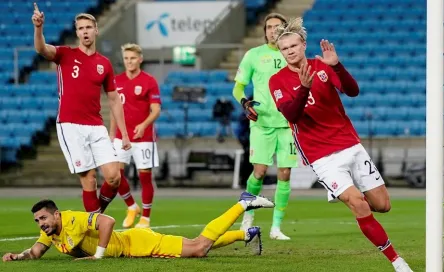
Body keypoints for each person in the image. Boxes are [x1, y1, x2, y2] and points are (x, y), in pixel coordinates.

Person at [268, 18, 413, 272]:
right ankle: (397, 262)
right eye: (284, 48)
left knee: (382, 206)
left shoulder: (322, 66)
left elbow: (353, 90)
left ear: (304, 44)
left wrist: (338, 66)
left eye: (294, 45)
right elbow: (291, 115)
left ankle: (341, 189)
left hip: (349, 144)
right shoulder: (277, 81)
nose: (290, 51)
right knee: (358, 203)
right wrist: (303, 88)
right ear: (281, 52)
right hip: (321, 156)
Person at [32, 4, 131, 213]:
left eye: (88, 27)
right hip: (70, 124)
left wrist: (124, 133)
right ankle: (94, 225)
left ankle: (95, 216)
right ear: (76, 32)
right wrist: (38, 28)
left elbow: (114, 100)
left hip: (96, 125)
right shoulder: (65, 54)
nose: (84, 31)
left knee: (114, 177)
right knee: (90, 179)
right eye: (80, 28)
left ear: (96, 30)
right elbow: (41, 49)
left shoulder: (104, 64)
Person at [2, 195, 274, 262]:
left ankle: (242, 204)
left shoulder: (72, 219)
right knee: (196, 243)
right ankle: (245, 234)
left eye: (43, 219)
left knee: (199, 248)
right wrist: (20, 255)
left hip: (137, 244)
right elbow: (37, 252)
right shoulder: (50, 232)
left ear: (56, 214)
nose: (41, 224)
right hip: (134, 244)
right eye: (38, 221)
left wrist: (97, 255)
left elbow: (107, 221)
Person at [233, 13, 297, 240]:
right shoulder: (254, 55)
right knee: (259, 173)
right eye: (269, 27)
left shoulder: (293, 54)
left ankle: (276, 227)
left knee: (285, 173)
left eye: (277, 27)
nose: (272, 30)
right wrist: (244, 103)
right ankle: (247, 216)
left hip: (288, 123)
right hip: (261, 124)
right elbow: (238, 88)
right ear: (265, 31)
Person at [109, 43, 161, 229]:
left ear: (140, 59)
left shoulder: (149, 81)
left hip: (144, 137)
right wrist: (111, 134)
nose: (129, 61)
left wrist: (143, 124)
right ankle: (131, 206)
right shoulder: (116, 81)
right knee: (114, 175)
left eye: (132, 58)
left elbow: (156, 110)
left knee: (144, 177)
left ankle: (145, 217)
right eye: (126, 58)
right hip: (121, 136)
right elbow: (114, 110)